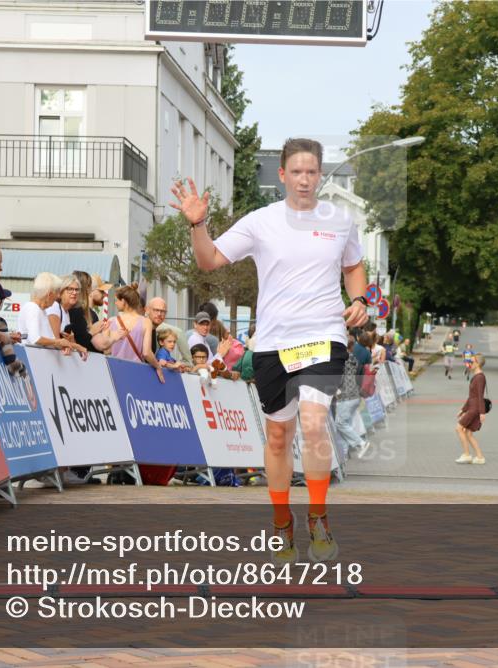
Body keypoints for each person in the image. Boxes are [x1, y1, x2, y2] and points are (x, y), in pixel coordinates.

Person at [172, 136, 368, 564]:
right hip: (275, 342)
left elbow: (353, 266)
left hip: (324, 336)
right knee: (279, 435)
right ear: (282, 175)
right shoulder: (261, 221)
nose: (304, 180)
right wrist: (197, 224)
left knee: (314, 422)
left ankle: (318, 517)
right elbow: (210, 260)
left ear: (320, 175)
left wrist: (360, 300)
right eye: (296, 172)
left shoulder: (340, 220)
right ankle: (282, 524)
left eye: (311, 172)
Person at [102, 285, 165, 383]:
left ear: (123, 301)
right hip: (136, 371)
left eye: (116, 300)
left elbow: (105, 350)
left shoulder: (111, 321)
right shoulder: (145, 322)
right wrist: (158, 366)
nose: (115, 303)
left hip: (115, 370)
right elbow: (146, 353)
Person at [18, 272, 87, 359]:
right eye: (57, 292)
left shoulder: (41, 310)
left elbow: (53, 339)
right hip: (34, 359)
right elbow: (35, 338)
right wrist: (60, 343)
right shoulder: (33, 308)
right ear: (49, 294)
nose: (58, 296)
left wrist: (72, 346)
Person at [335, 335, 369, 460]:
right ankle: (344, 455)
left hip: (346, 396)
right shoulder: (354, 358)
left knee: (340, 423)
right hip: (355, 394)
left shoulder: (342, 359)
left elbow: (341, 378)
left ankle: (361, 443)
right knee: (345, 424)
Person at [455, 355, 487, 464]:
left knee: (459, 428)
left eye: (472, 362)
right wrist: (463, 409)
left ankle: (467, 455)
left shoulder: (480, 377)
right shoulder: (476, 376)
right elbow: (471, 396)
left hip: (474, 409)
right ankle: (480, 457)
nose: (470, 363)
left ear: (478, 363)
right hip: (472, 407)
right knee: (468, 433)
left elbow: (479, 396)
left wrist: (482, 412)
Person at [146, 297, 190, 363]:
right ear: (147, 310)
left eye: (163, 311)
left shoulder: (154, 331)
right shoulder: (142, 328)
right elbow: (146, 354)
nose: (159, 314)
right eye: (156, 310)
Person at [46, 273, 78, 340]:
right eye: (70, 289)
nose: (74, 293)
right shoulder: (54, 307)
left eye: (76, 290)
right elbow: (56, 341)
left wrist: (71, 340)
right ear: (60, 291)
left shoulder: (66, 312)